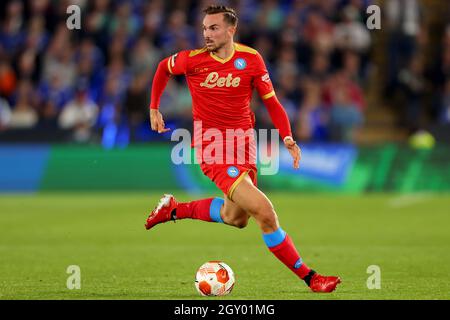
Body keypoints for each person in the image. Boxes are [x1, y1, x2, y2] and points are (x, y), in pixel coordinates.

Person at [145, 5, 341, 293]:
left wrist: (287, 137)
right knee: (265, 212)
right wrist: (154, 107)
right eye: (204, 28)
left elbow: (272, 102)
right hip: (213, 149)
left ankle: (174, 210)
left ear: (230, 30)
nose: (206, 34)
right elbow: (163, 68)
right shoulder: (193, 60)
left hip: (244, 147)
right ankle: (312, 278)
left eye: (213, 28)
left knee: (235, 218)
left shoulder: (251, 59)